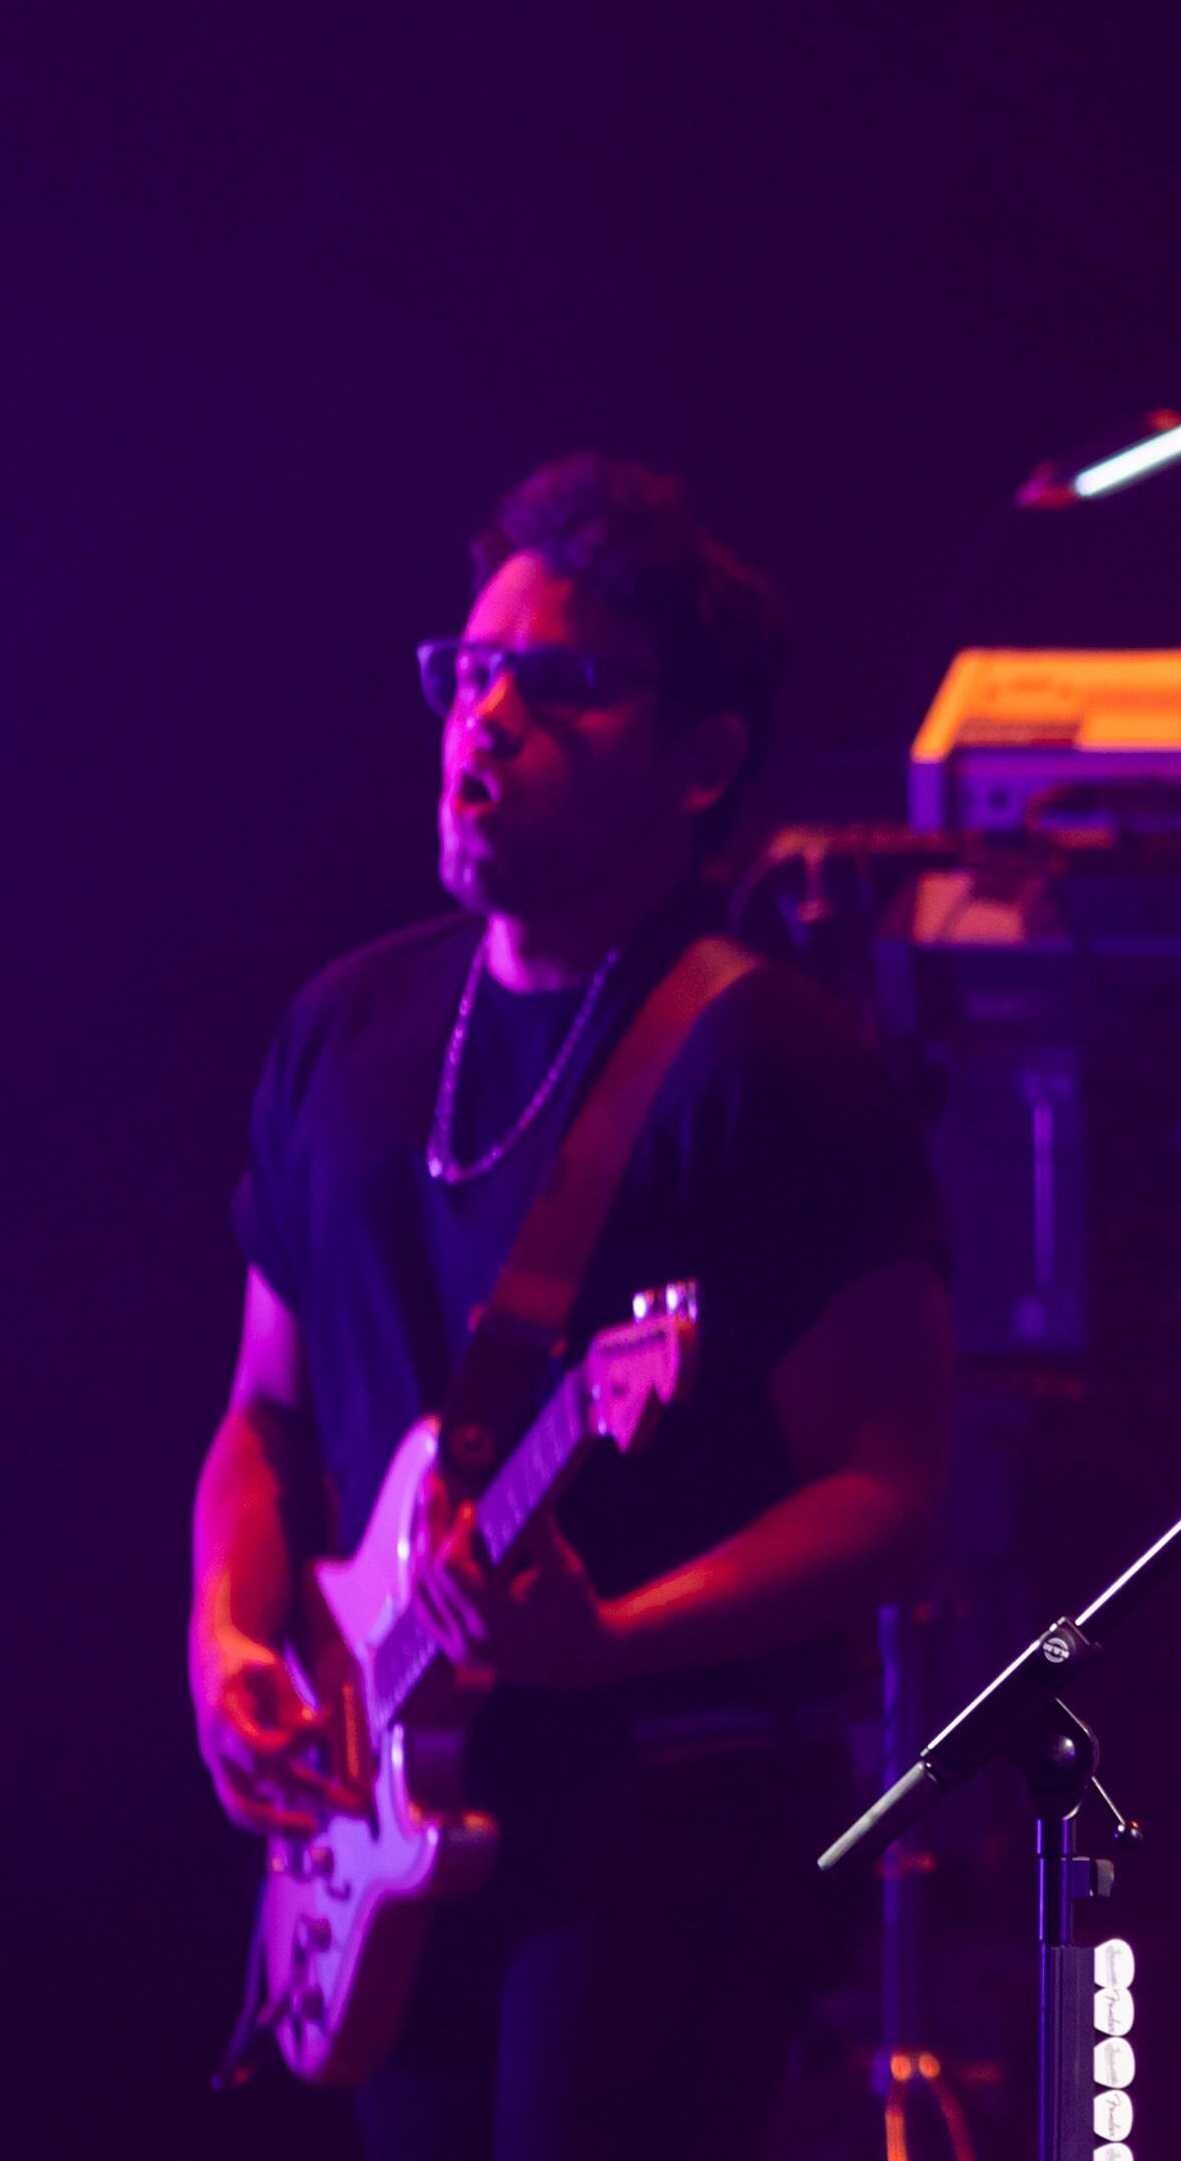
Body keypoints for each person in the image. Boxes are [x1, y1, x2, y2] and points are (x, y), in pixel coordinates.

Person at [187, 454, 953, 2159]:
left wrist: (613, 1631)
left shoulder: (768, 1059)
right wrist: (230, 1636)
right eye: (471, 668)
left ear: (701, 764)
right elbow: (265, 1408)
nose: (490, 715)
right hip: (388, 1810)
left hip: (666, 1816)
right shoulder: (344, 1026)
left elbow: (895, 1496)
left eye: (567, 681)